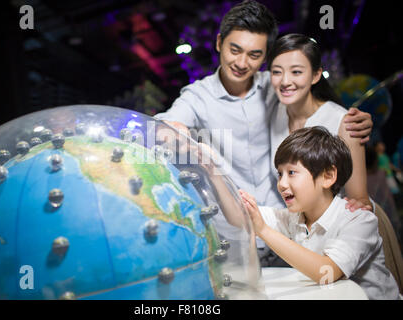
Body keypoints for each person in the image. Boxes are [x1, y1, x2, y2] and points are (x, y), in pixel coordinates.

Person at [154, 0, 373, 265]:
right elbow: (164, 128)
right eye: (234, 50)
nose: (242, 62)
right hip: (236, 232)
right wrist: (177, 136)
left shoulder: (277, 84)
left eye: (255, 55)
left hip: (290, 228)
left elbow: (314, 100)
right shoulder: (197, 96)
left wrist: (351, 120)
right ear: (219, 42)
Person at [240, 126, 400, 300]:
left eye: (292, 172)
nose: (282, 184)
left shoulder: (358, 220)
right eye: (280, 174)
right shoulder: (294, 218)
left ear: (328, 176)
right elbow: (240, 214)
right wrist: (215, 174)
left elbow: (327, 273)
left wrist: (263, 230)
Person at [267, 33, 372, 210]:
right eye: (277, 72)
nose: (285, 81)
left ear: (316, 75)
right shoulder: (275, 113)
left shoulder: (344, 123)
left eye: (296, 72)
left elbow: (360, 202)